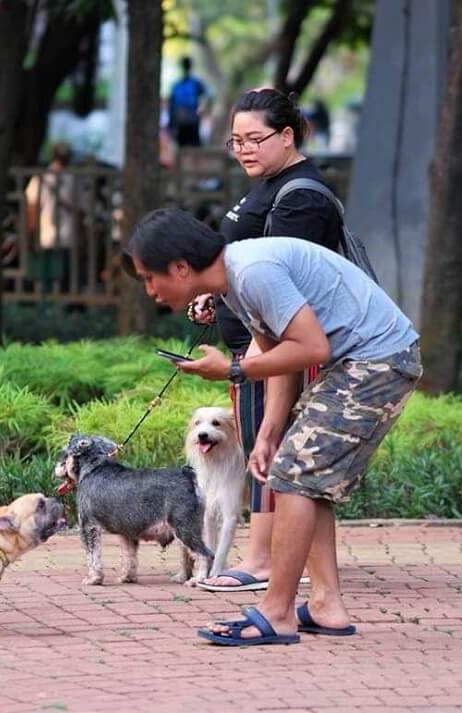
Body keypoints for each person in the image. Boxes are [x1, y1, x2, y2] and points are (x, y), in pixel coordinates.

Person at [123, 208, 420, 645]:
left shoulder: (253, 272)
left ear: (181, 268)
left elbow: (310, 346)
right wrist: (268, 431)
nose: (150, 290)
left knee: (294, 478)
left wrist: (232, 370)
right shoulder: (234, 284)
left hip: (379, 360)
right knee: (297, 471)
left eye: (150, 277)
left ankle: (277, 611)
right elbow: (281, 353)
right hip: (359, 362)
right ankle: (325, 606)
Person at [188, 88, 342, 593]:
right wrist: (218, 294)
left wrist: (255, 356)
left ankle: (262, 563)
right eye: (236, 141)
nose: (245, 149)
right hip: (255, 346)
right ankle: (269, 560)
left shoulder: (300, 197)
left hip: (275, 352)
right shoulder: (270, 184)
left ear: (287, 136)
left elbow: (288, 290)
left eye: (255, 139)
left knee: (271, 453)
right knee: (262, 450)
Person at [167, 57, 206, 147]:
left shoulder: (178, 85)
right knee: (192, 148)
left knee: (186, 148)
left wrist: (171, 125)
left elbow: (171, 106)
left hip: (185, 121)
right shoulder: (193, 83)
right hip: (188, 121)